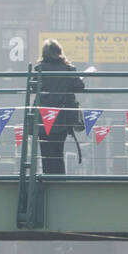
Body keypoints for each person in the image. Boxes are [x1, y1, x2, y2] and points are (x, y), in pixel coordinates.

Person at [35, 39, 84, 175]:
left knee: (46, 153)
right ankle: (59, 180)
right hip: (62, 116)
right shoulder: (68, 69)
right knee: (58, 152)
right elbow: (79, 86)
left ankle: (47, 180)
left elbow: (33, 88)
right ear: (59, 52)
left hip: (43, 117)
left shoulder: (39, 69)